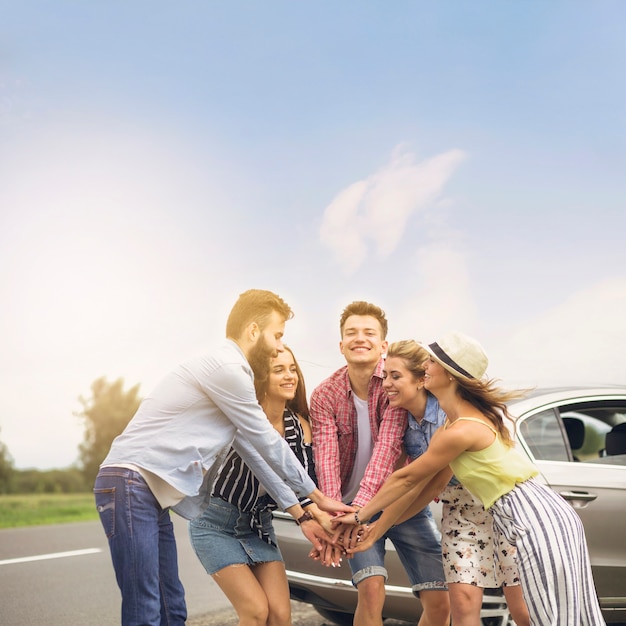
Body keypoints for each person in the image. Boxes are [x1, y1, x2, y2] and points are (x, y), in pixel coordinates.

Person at [93, 289, 352, 626]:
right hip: (130, 482)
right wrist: (318, 497)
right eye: (277, 335)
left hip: (148, 494)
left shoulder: (231, 379)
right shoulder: (227, 369)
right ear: (254, 330)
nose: (277, 345)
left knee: (172, 607)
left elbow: (258, 456)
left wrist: (306, 512)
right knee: (146, 607)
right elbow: (269, 444)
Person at [336, 331, 605, 626]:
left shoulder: (462, 429)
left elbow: (408, 478)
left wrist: (362, 516)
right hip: (511, 512)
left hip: (531, 513)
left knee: (547, 616)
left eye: (432, 361)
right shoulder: (455, 423)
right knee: (543, 614)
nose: (425, 365)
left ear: (450, 374)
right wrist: (374, 530)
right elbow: (423, 486)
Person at [310, 301, 450, 626]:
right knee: (371, 591)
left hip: (401, 502)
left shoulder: (393, 386)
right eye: (352, 333)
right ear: (341, 344)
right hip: (347, 508)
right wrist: (337, 517)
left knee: (440, 599)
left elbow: (387, 452)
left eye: (369, 333)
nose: (360, 339)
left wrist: (364, 512)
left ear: (383, 344)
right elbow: (326, 461)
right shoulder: (324, 395)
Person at [381, 340, 529, 626]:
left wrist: (376, 526)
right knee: (461, 605)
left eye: (395, 376)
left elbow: (425, 483)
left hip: (502, 510)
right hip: (461, 515)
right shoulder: (402, 418)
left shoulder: (453, 419)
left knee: (522, 610)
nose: (426, 366)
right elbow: (401, 478)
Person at [189, 345, 326, 626]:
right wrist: (304, 518)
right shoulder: (241, 418)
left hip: (259, 527)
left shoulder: (299, 425)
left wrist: (320, 524)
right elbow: (267, 474)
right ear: (261, 377)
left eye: (292, 369)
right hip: (215, 524)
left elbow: (303, 485)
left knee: (279, 615)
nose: (290, 376)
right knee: (254, 611)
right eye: (279, 370)